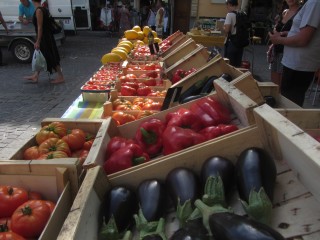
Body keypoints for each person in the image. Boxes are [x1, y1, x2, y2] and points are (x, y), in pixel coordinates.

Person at [269, 0, 320, 107]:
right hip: (296, 64)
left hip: (298, 65)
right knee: (288, 102)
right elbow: (301, 32)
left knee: (289, 106)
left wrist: (278, 40)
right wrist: (284, 33)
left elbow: (303, 39)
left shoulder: (314, 2)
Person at [24, 0, 64, 84]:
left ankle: (60, 76)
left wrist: (38, 41)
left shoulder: (39, 10)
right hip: (45, 37)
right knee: (41, 55)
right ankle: (36, 75)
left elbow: (40, 27)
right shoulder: (43, 8)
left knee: (51, 56)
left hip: (45, 38)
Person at [268, 0, 301, 88]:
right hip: (277, 51)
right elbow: (278, 29)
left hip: (288, 53)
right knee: (274, 86)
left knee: (283, 87)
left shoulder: (301, 13)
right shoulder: (285, 12)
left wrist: (282, 35)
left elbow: (301, 35)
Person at [223, 0, 244, 67]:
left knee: (229, 64)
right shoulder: (242, 14)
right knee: (237, 64)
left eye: (227, 5)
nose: (226, 7)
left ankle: (229, 77)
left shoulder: (230, 15)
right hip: (241, 42)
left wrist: (224, 28)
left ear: (229, 4)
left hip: (232, 42)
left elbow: (227, 30)